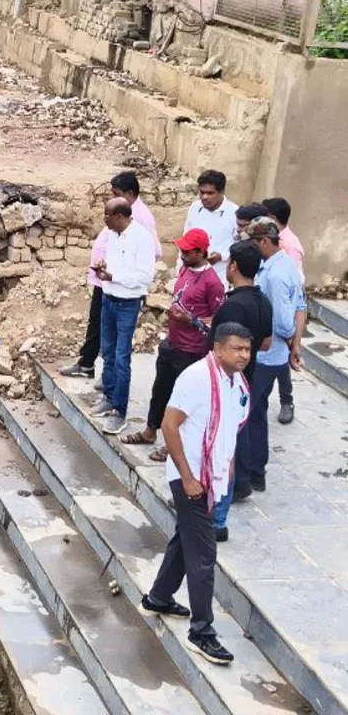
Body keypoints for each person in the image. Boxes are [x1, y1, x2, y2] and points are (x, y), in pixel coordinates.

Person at [141, 322, 252, 667]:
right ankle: (201, 632)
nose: (243, 356)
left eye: (247, 350)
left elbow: (230, 425)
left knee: (184, 538)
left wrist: (228, 464)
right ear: (218, 348)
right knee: (204, 554)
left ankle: (158, 597)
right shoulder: (196, 378)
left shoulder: (235, 381)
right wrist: (188, 477)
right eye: (237, 349)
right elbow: (169, 424)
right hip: (190, 478)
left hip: (213, 477)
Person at [121, 229, 225, 455]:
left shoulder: (213, 283)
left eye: (187, 251)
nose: (182, 254)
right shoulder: (185, 269)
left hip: (192, 350)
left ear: (201, 252)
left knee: (184, 400)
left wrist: (191, 319)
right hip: (173, 342)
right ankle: (150, 430)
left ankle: (175, 445)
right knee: (160, 390)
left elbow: (218, 319)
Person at [60, 172, 160, 380]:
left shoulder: (141, 218)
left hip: (122, 289)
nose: (112, 198)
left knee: (117, 341)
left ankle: (109, 378)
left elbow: (153, 253)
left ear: (130, 194)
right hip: (107, 282)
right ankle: (91, 366)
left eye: (117, 194)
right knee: (98, 325)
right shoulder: (120, 213)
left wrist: (118, 273)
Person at [209, 241, 273, 541]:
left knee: (223, 439)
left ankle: (224, 492)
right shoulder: (263, 302)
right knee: (241, 428)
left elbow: (220, 347)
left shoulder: (232, 306)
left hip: (227, 377)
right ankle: (245, 480)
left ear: (233, 266)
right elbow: (266, 343)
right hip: (248, 374)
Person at [237, 217, 305, 498]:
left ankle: (244, 478)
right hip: (274, 355)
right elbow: (301, 305)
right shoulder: (285, 265)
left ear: (264, 241)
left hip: (267, 356)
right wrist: (296, 345)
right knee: (256, 414)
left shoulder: (276, 275)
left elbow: (284, 323)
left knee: (245, 415)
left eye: (253, 243)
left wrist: (291, 341)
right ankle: (255, 473)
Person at [90, 198, 157, 435]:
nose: (104, 220)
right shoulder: (113, 235)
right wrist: (104, 266)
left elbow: (144, 277)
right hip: (109, 299)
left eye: (107, 216)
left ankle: (119, 410)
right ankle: (108, 396)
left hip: (127, 303)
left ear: (119, 216)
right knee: (107, 352)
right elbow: (117, 264)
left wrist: (114, 276)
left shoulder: (142, 238)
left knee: (121, 357)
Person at [262, 197, 305, 425]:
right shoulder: (273, 241)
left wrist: (293, 339)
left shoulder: (290, 247)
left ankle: (286, 400)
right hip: (273, 312)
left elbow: (296, 294)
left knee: (281, 359)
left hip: (283, 310)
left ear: (272, 218)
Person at [182, 170, 239, 286]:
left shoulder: (234, 213)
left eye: (210, 193)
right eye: (202, 192)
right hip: (193, 276)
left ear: (221, 192)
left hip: (220, 277)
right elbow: (185, 240)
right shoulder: (195, 208)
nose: (204, 197)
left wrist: (221, 256)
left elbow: (240, 247)